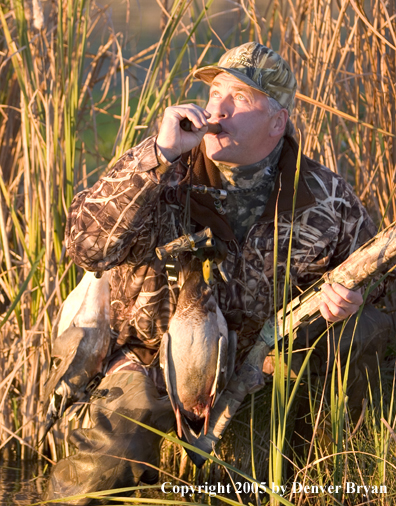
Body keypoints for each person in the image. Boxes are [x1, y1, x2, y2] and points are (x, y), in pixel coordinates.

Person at [44, 43, 392, 504]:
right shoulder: (164, 173)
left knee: (252, 481)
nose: (217, 109)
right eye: (213, 93)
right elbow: (84, 246)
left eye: (240, 98)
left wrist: (349, 303)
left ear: (277, 121)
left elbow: (383, 295)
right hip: (151, 364)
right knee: (99, 473)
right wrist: (158, 153)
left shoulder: (325, 198)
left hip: (260, 374)